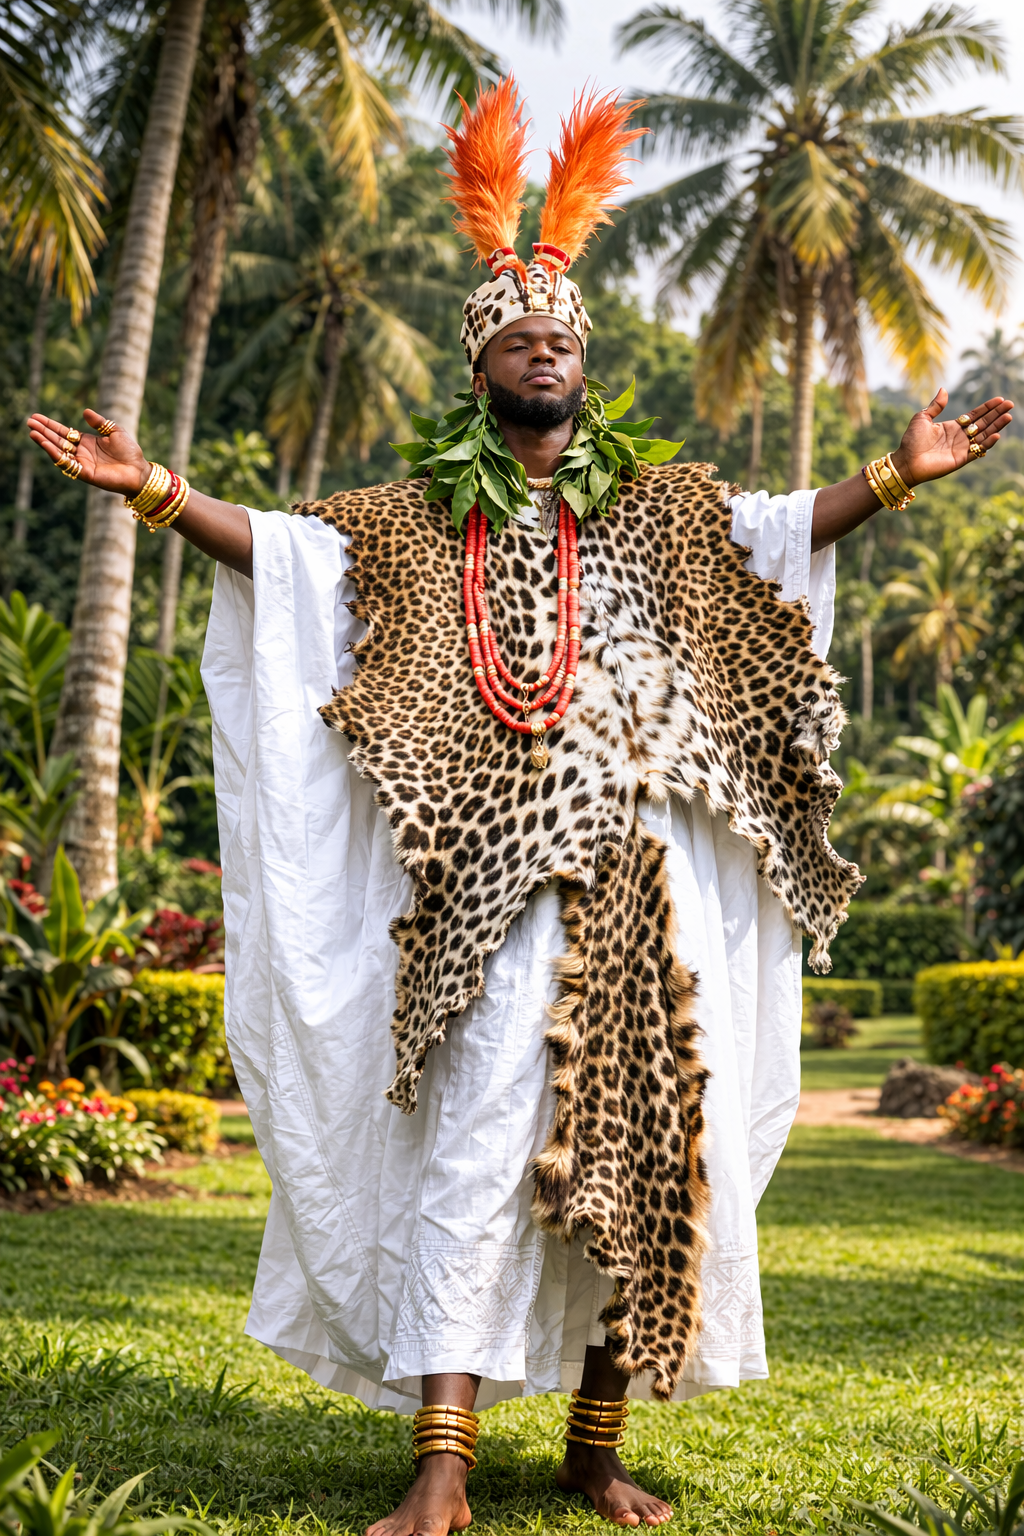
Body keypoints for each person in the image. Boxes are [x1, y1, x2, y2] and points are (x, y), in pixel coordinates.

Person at [29, 79, 1013, 1536]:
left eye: (564, 338)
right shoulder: (418, 519)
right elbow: (292, 558)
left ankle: (595, 1448)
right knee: (480, 1146)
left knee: (656, 1148)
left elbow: (776, 532)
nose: (546, 349)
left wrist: (894, 476)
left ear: (583, 366)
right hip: (491, 893)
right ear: (483, 366)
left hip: (647, 883)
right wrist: (159, 492)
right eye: (520, 338)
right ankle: (444, 1463)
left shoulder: (661, 508)